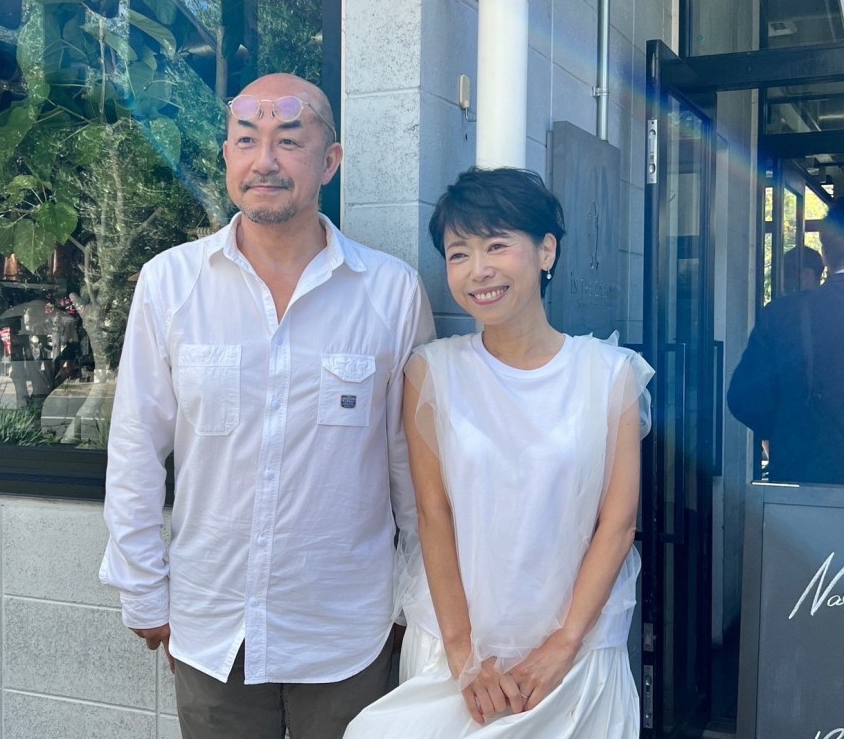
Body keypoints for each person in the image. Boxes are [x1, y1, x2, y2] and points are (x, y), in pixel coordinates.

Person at [99, 72, 435, 739]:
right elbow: (135, 445)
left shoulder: (391, 292)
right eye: (247, 140)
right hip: (212, 625)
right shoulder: (171, 283)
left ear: (329, 161)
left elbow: (413, 469)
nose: (265, 161)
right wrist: (143, 588)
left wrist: (413, 598)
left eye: (289, 140)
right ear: (227, 156)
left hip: (348, 631)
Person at [345, 168, 654, 738]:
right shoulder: (432, 372)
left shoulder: (609, 375)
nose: (478, 270)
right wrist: (464, 654)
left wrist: (563, 644)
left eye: (496, 246)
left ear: (546, 251)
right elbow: (432, 515)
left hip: (575, 655)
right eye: (459, 254)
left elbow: (618, 523)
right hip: (455, 655)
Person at [727, 202, 844, 484]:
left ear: (825, 253)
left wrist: (788, 432)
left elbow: (743, 397)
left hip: (803, 477)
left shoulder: (782, 314)